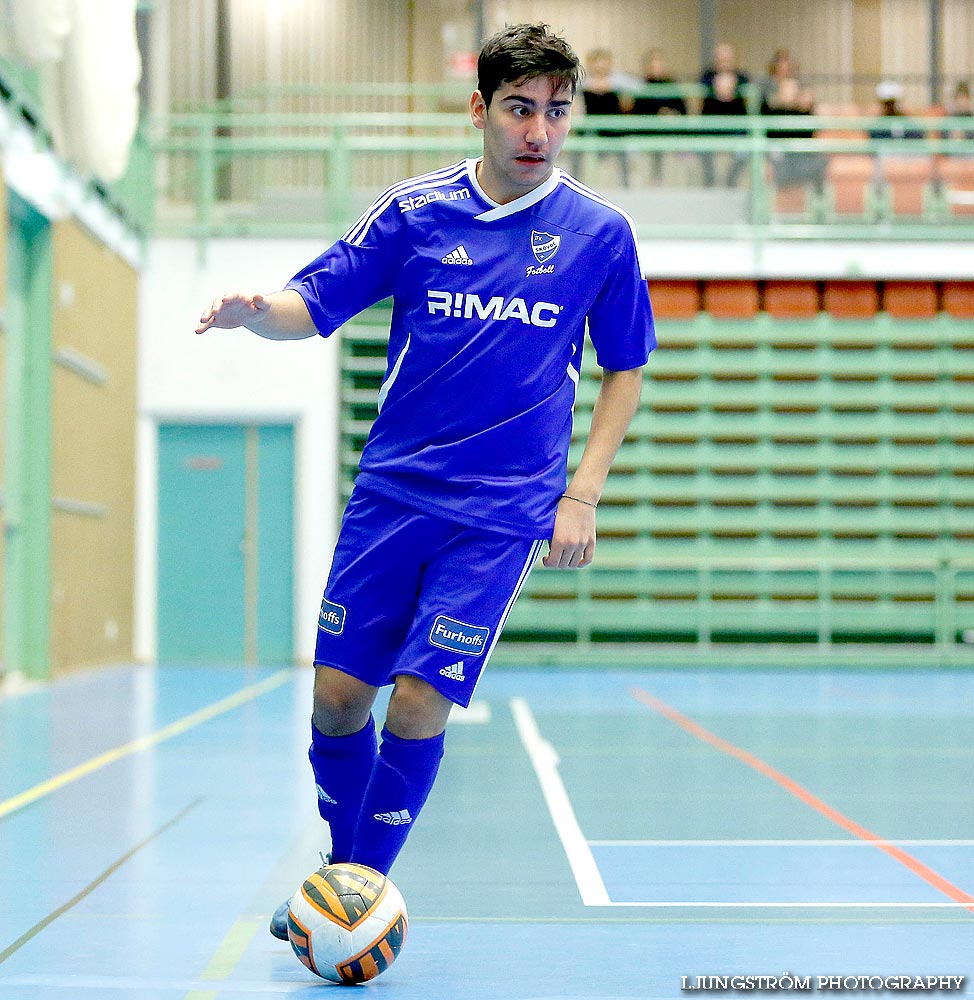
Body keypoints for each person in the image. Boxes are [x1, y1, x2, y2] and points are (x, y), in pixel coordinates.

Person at [195, 22, 655, 940]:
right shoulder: (414, 213)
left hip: (501, 515)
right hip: (393, 497)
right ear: (479, 108)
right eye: (521, 109)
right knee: (338, 699)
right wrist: (258, 314)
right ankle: (343, 876)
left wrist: (583, 493)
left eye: (558, 113)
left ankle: (353, 892)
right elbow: (311, 305)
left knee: (417, 699)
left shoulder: (601, 236)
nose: (539, 131)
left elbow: (627, 368)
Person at [577, 48, 634, 186]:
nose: (599, 67)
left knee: (624, 151)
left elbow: (638, 86)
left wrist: (609, 85)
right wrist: (592, 86)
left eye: (603, 63)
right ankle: (577, 181)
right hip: (591, 128)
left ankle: (626, 185)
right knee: (577, 149)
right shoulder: (584, 81)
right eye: (596, 63)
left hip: (615, 128)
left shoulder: (617, 79)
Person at [698, 42, 751, 187]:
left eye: (727, 59)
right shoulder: (707, 76)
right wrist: (715, 86)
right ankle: (710, 183)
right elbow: (700, 93)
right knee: (702, 147)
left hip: (736, 130)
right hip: (711, 129)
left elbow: (749, 96)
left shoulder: (742, 77)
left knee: (745, 149)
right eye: (721, 59)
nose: (724, 63)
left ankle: (730, 181)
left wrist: (733, 87)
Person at [632, 48, 688, 182]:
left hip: (670, 133)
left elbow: (683, 111)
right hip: (647, 133)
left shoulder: (673, 86)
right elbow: (636, 112)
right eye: (653, 63)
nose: (656, 66)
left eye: (659, 63)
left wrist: (671, 115)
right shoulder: (641, 87)